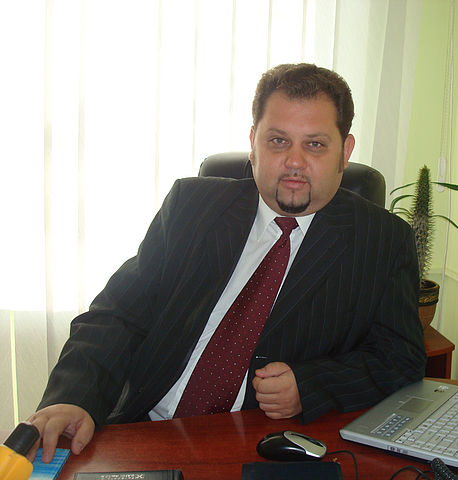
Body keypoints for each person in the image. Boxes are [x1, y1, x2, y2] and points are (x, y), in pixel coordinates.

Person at [28, 63, 426, 463]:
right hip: (145, 429)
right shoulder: (192, 206)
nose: (294, 161)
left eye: (315, 145)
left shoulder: (382, 240)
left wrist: (311, 385)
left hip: (256, 446)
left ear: (345, 151)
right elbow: (117, 314)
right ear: (253, 143)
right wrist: (73, 398)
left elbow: (401, 358)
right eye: (278, 141)